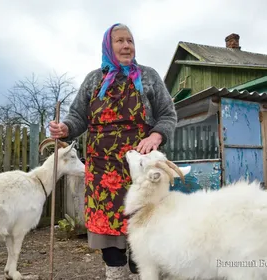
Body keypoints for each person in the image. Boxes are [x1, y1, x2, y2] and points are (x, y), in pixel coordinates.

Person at [49, 23, 177, 280]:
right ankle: (116, 274)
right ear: (109, 46)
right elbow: (77, 117)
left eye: (129, 40)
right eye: (119, 40)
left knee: (142, 225)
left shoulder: (148, 77)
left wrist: (156, 134)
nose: (126, 45)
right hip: (101, 168)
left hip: (138, 168)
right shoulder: (94, 80)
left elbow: (167, 114)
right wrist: (65, 128)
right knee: (107, 231)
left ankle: (142, 273)